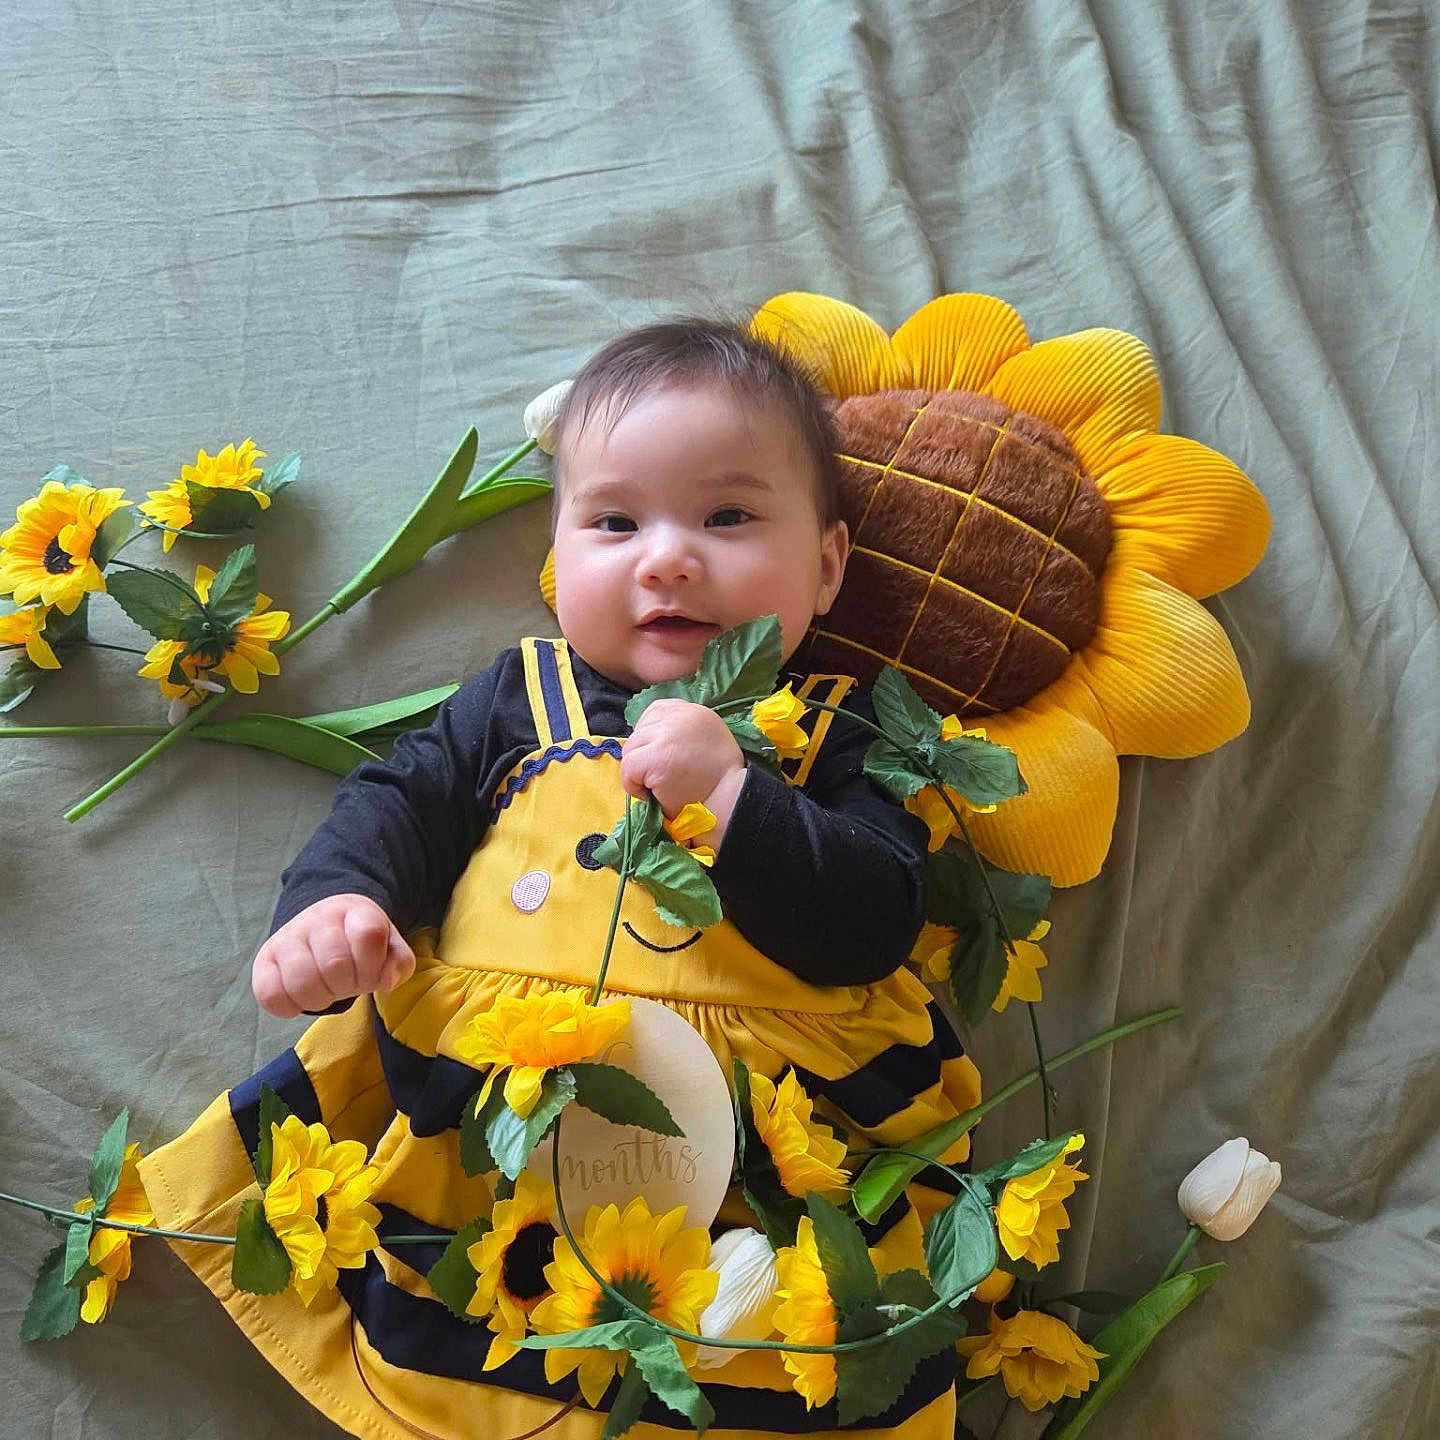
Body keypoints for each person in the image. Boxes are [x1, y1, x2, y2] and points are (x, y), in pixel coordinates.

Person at [141, 319, 981, 1440]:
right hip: (501, 1107)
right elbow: (402, 799)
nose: (666, 557)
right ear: (558, 551)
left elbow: (875, 919)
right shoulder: (515, 697)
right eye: (615, 521)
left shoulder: (841, 732)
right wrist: (339, 906)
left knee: (758, 1353)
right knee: (484, 1332)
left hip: (768, 1145)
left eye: (728, 516)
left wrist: (738, 800)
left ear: (826, 566)